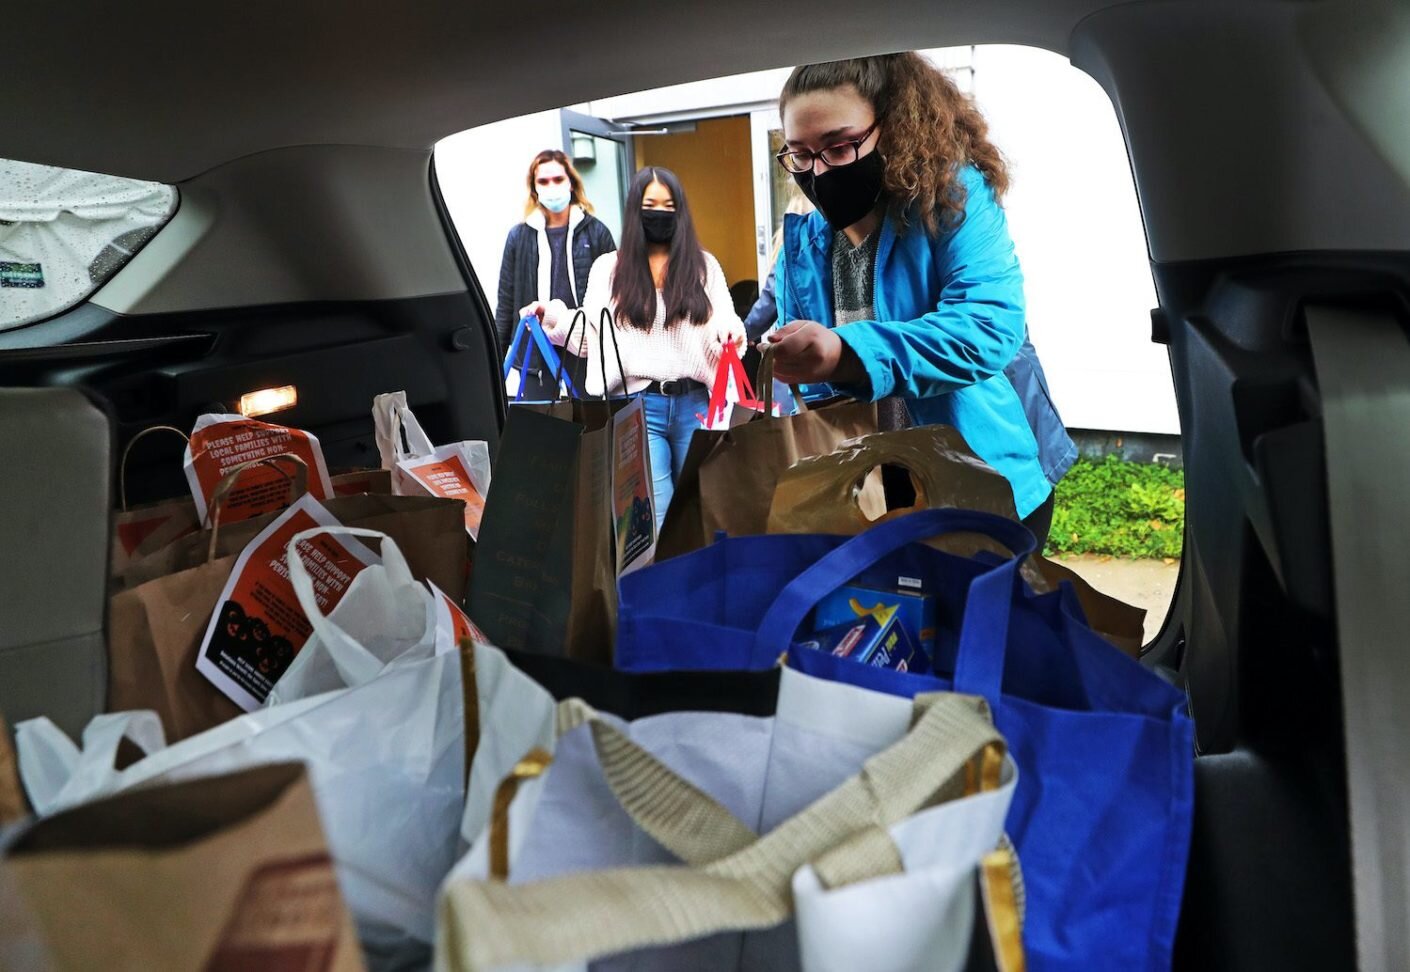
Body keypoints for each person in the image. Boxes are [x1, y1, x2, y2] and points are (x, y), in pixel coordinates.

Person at [766, 53, 1066, 541]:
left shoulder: (953, 198)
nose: (818, 172)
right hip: (871, 503)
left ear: (894, 127)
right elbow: (815, 393)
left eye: (839, 147)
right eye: (800, 154)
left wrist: (845, 352)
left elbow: (987, 328)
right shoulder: (803, 246)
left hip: (982, 482)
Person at [522, 166, 746, 528]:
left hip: (699, 408)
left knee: (701, 517)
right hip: (638, 410)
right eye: (650, 204)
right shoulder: (608, 269)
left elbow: (726, 322)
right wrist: (553, 317)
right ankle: (662, 586)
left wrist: (731, 335)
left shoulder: (704, 266)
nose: (659, 212)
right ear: (634, 210)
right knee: (655, 522)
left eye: (668, 205)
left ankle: (696, 584)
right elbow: (591, 338)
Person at [495, 150, 616, 400]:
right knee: (543, 431)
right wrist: (495, 358)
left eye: (558, 179)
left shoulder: (596, 232)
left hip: (585, 350)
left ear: (570, 183)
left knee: (590, 430)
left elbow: (614, 299)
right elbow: (506, 303)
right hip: (536, 351)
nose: (552, 186)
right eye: (543, 181)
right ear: (534, 188)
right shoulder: (519, 237)